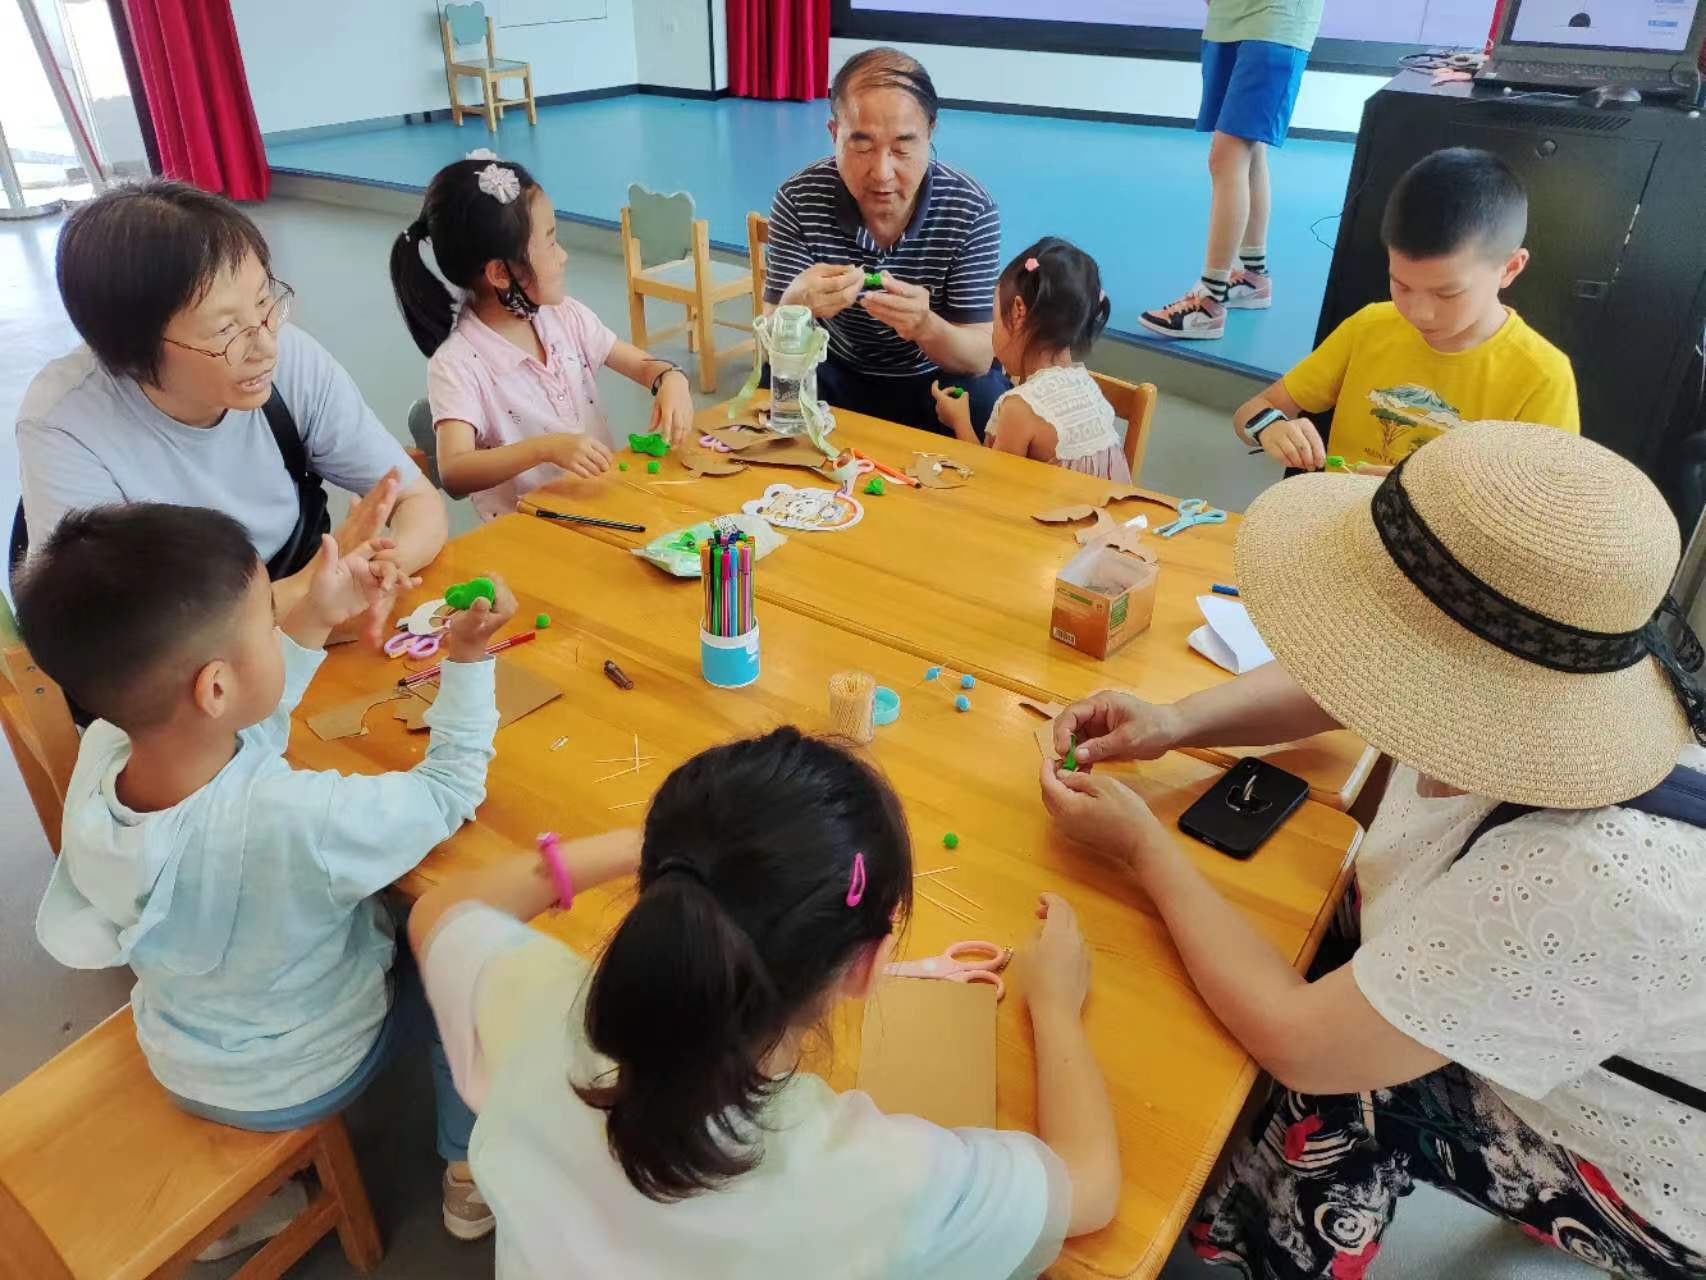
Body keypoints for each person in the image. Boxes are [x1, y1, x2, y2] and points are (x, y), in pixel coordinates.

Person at [1039, 422, 1706, 1279]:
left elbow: (1301, 1043)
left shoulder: (1574, 871)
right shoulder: (1556, 683)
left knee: (1345, 1095)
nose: (1370, 668)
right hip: (1534, 957)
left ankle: (1255, 1253)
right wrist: (1177, 722)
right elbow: (1361, 670)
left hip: (1652, 1166)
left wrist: (1143, 848)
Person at [410, 728, 1121, 1277]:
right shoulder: (876, 1181)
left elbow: (439, 913)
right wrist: (1055, 1006)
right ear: (866, 967)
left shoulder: (539, 1013)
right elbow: (1090, 1185)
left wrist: (652, 849)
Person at [20, 504, 514, 1251]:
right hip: (302, 1068)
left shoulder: (106, 752)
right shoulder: (291, 819)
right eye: (268, 621)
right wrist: (470, 660)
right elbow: (448, 791)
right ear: (216, 687)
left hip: (186, 1048)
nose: (279, 627)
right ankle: (470, 1174)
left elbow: (234, 730)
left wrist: (313, 616)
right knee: (464, 953)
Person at [17, 180, 446, 612]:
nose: (266, 346)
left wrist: (386, 567)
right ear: (131, 349)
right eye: (224, 330)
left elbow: (415, 499)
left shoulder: (290, 360)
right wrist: (308, 589)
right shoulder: (66, 426)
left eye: (262, 302)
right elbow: (105, 626)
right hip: (180, 637)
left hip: (296, 600)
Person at [1234, 148, 1580, 472]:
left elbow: (1547, 502)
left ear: (1510, 269)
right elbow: (1253, 410)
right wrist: (1269, 426)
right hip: (1339, 508)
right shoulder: (1369, 327)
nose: (1418, 312)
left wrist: (1419, 496)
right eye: (1401, 285)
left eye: (1447, 293)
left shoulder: (1541, 376)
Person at [392, 153, 696, 521]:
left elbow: (641, 365)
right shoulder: (457, 363)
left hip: (603, 510)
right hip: (529, 535)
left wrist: (670, 377)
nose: (563, 256)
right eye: (551, 243)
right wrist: (545, 449)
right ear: (500, 273)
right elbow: (455, 472)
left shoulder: (563, 316)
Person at [763, 47, 1009, 437]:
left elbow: (979, 354)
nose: (882, 173)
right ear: (834, 134)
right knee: (774, 383)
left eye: (902, 147)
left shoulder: (969, 208)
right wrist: (794, 305)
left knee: (986, 400)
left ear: (930, 133)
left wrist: (925, 326)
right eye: (862, 146)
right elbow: (768, 342)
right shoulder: (798, 199)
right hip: (837, 373)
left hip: (932, 379)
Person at [1139, 0, 1324, 341]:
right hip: (1226, 19)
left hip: (1274, 21)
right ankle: (1252, 277)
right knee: (1249, 150)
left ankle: (1208, 302)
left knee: (1226, 156)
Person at [933, 238, 1132, 483]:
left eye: (995, 320)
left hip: (1053, 508)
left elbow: (991, 484)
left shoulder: (1020, 407)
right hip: (1104, 507)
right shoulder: (1085, 384)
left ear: (1018, 312)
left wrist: (959, 422)